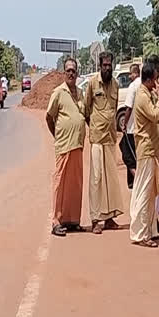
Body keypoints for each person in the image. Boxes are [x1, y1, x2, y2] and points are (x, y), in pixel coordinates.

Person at [46, 57, 86, 237]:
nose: (71, 73)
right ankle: (56, 221)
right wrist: (57, 136)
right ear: (64, 73)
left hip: (77, 144)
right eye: (68, 70)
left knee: (75, 184)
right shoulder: (58, 92)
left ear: (77, 73)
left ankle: (72, 220)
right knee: (60, 183)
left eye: (74, 71)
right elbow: (49, 117)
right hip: (63, 145)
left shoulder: (80, 92)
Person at [85, 51, 124, 234]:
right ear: (100, 66)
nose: (107, 68)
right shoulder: (93, 83)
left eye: (109, 65)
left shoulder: (115, 84)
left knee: (110, 179)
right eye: (104, 65)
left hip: (110, 138)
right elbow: (86, 109)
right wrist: (94, 125)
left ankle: (109, 218)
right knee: (96, 178)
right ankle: (95, 219)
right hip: (96, 138)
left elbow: (114, 110)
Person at [129, 62, 159, 248]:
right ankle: (141, 233)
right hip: (146, 149)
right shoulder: (143, 97)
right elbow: (156, 116)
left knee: (150, 192)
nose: (157, 84)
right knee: (143, 191)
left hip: (151, 148)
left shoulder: (146, 93)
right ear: (150, 80)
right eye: (156, 80)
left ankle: (150, 229)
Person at [120, 64, 140, 189]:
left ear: (134, 73)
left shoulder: (133, 86)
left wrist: (125, 124)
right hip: (141, 129)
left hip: (132, 128)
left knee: (128, 156)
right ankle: (133, 182)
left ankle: (137, 180)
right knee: (136, 156)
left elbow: (128, 107)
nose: (129, 76)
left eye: (130, 73)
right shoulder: (143, 84)